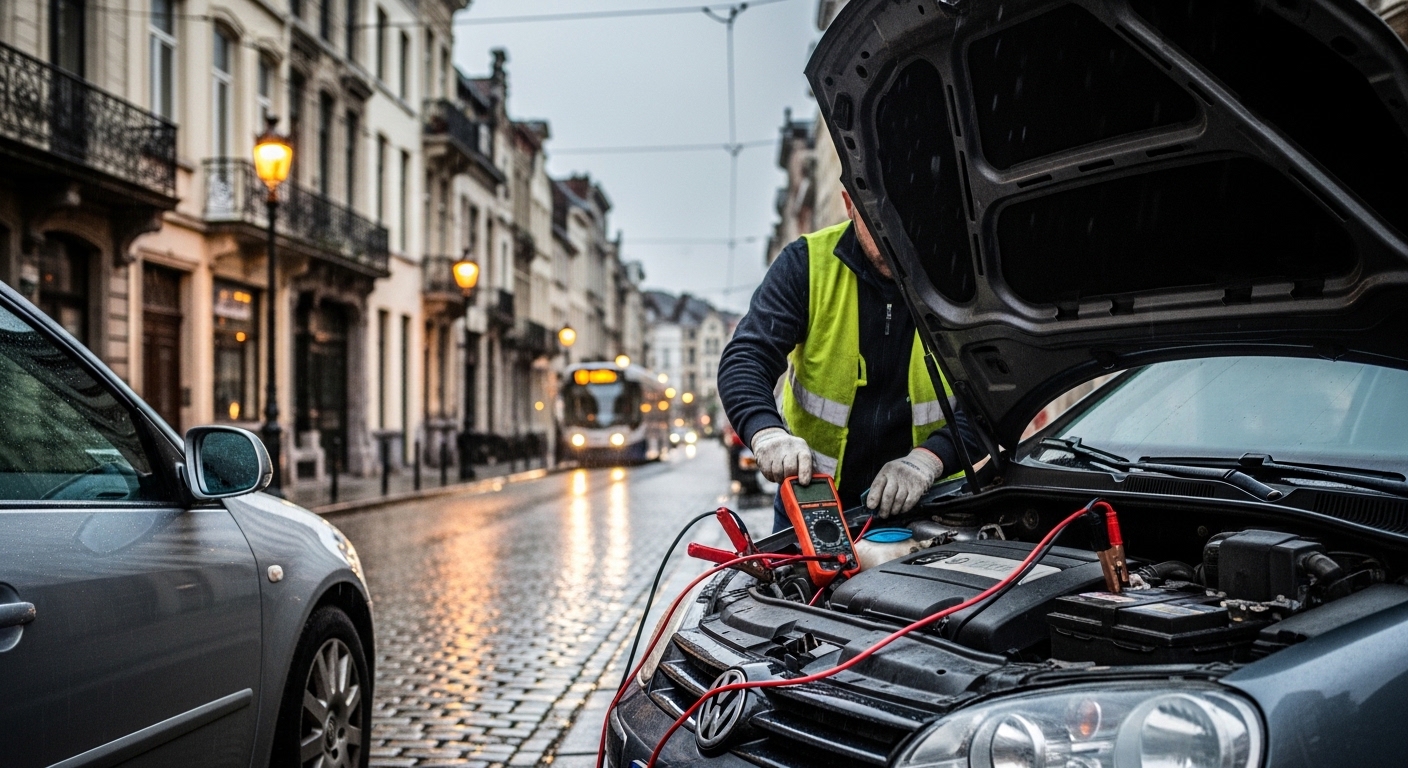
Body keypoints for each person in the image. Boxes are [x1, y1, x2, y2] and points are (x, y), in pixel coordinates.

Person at [718, 190, 981, 532]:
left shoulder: (963, 277)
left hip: (933, 504)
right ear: (848, 203)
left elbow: (994, 401)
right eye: (876, 214)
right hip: (812, 502)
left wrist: (929, 460)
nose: (890, 231)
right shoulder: (807, 264)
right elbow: (747, 357)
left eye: (903, 217)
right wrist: (766, 432)